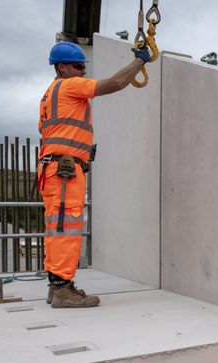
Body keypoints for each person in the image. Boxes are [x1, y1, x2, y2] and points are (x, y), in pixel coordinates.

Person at [38, 41, 151, 308]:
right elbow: (114, 84)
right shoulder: (69, 85)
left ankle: (56, 287)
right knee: (68, 228)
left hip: (52, 169)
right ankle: (64, 290)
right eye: (77, 66)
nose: (82, 71)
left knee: (57, 228)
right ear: (62, 67)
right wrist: (140, 62)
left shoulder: (49, 94)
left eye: (83, 67)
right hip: (65, 171)